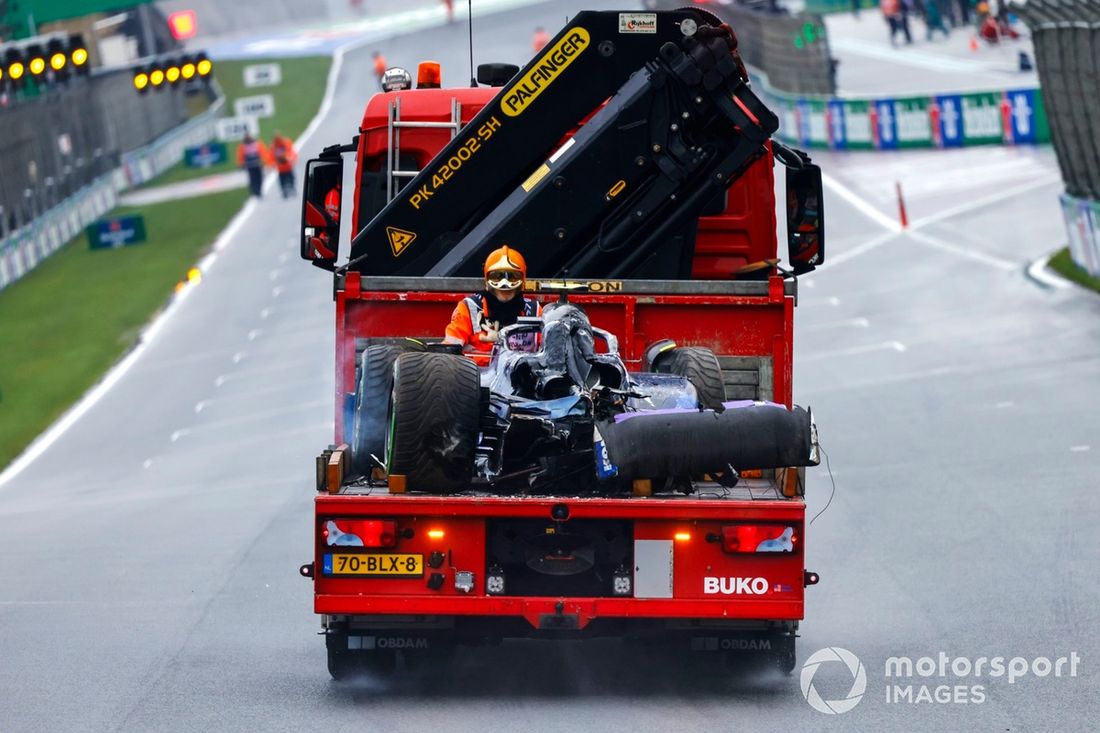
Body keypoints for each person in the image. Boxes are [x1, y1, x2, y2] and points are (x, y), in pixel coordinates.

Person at [443, 246, 541, 355]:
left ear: (522, 281)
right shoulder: (469, 308)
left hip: (522, 370)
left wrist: (500, 338)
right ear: (487, 280)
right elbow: (449, 349)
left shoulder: (535, 311)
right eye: (496, 276)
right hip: (478, 370)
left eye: (513, 277)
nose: (504, 283)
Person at [236, 132, 270, 198]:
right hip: (249, 166)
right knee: (253, 179)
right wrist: (241, 164)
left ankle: (258, 190)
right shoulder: (242, 146)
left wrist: (263, 161)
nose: (248, 139)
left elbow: (263, 152)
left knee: (259, 178)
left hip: (257, 164)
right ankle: (255, 191)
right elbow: (240, 156)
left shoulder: (257, 144)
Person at [270, 132, 298, 199]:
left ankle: (292, 188)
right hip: (280, 168)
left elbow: (292, 152)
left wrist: (291, 159)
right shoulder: (273, 147)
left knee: (291, 178)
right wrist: (272, 163)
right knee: (282, 180)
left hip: (288, 166)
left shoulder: (286, 143)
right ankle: (284, 191)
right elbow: (271, 157)